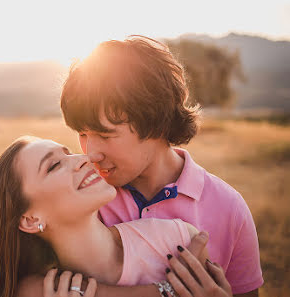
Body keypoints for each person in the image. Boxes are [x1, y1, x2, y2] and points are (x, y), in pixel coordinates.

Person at [59, 36, 263, 296]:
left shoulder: (230, 209)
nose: (90, 153)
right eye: (83, 133)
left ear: (155, 124)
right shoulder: (80, 197)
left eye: (106, 135)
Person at [0, 136, 229, 297]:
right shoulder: (36, 291)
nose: (83, 159)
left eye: (69, 152)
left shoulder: (180, 240)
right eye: (53, 165)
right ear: (30, 219)